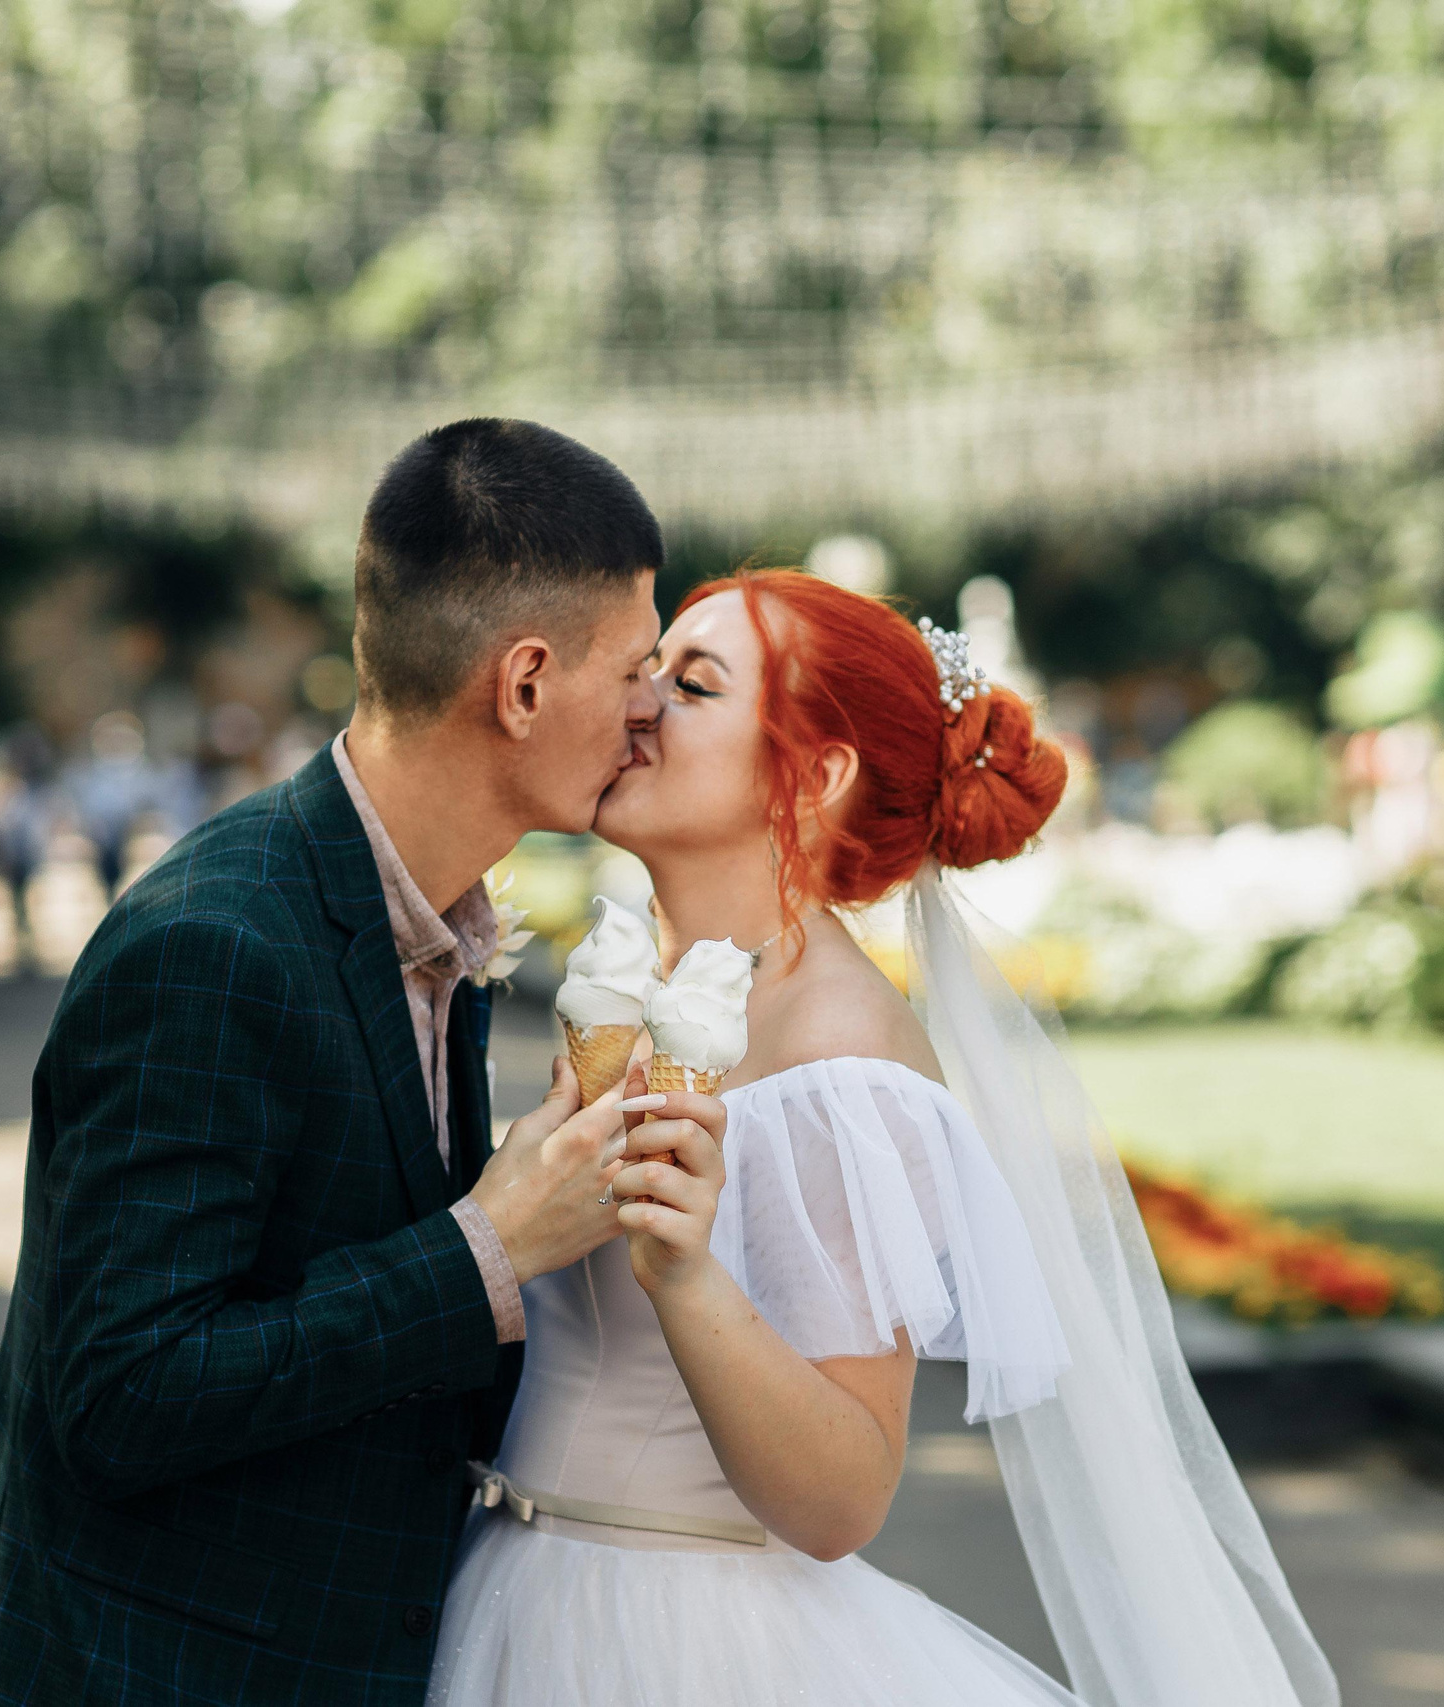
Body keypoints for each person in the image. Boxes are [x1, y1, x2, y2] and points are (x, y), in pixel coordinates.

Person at [0, 419, 714, 1706]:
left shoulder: (432, 922)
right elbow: (123, 1392)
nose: (650, 710)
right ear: (525, 683)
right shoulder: (213, 945)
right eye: (638, 669)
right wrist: (486, 1247)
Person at [428, 570, 1338, 1707]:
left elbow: (844, 1498)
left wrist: (687, 1277)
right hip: (512, 1586)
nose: (641, 701)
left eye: (694, 685)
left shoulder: (844, 1069)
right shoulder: (638, 987)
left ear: (816, 779)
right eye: (652, 668)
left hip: (667, 1642)